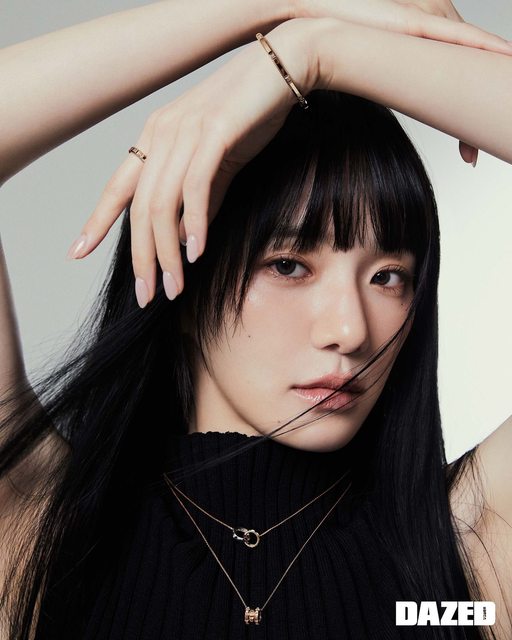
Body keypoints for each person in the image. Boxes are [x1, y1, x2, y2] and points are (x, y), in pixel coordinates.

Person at [0, 1, 511, 638]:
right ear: (180, 277)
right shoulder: (47, 533)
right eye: (289, 266)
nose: (350, 332)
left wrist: (316, 52)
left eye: (387, 277)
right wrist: (275, 4)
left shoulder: (464, 546)